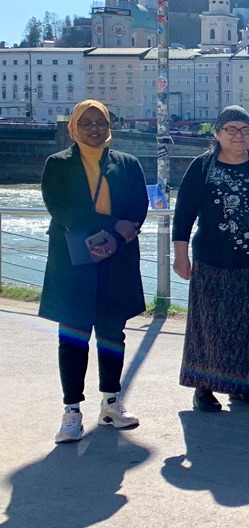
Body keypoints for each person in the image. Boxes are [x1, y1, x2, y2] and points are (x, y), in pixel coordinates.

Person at [173, 106, 249, 412]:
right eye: (231, 129)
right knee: (213, 327)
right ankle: (204, 388)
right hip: (216, 262)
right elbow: (183, 216)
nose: (239, 136)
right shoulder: (203, 166)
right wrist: (180, 256)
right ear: (217, 133)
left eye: (245, 130)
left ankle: (245, 385)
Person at [40, 99, 148, 443]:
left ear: (108, 125)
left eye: (100, 122)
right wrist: (109, 228)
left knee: (112, 334)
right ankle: (72, 410)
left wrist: (116, 238)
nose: (94, 129)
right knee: (72, 336)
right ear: (74, 127)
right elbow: (61, 207)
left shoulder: (128, 164)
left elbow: (138, 206)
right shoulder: (56, 164)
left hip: (115, 261)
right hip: (73, 261)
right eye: (86, 123)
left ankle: (111, 403)